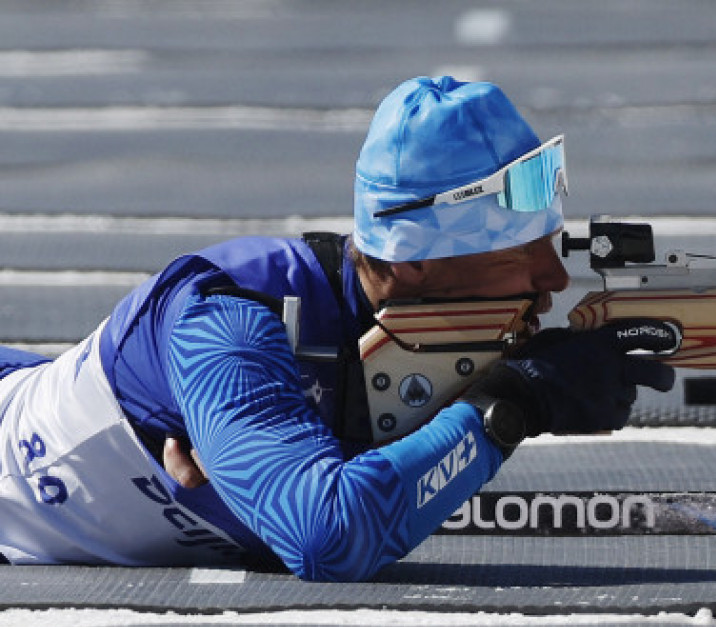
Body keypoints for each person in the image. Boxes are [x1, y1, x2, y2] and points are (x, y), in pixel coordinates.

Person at [0, 76, 675, 582]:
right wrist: (513, 405)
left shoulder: (416, 334)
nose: (554, 280)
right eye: (519, 253)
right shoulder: (230, 323)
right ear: (415, 263)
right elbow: (328, 538)